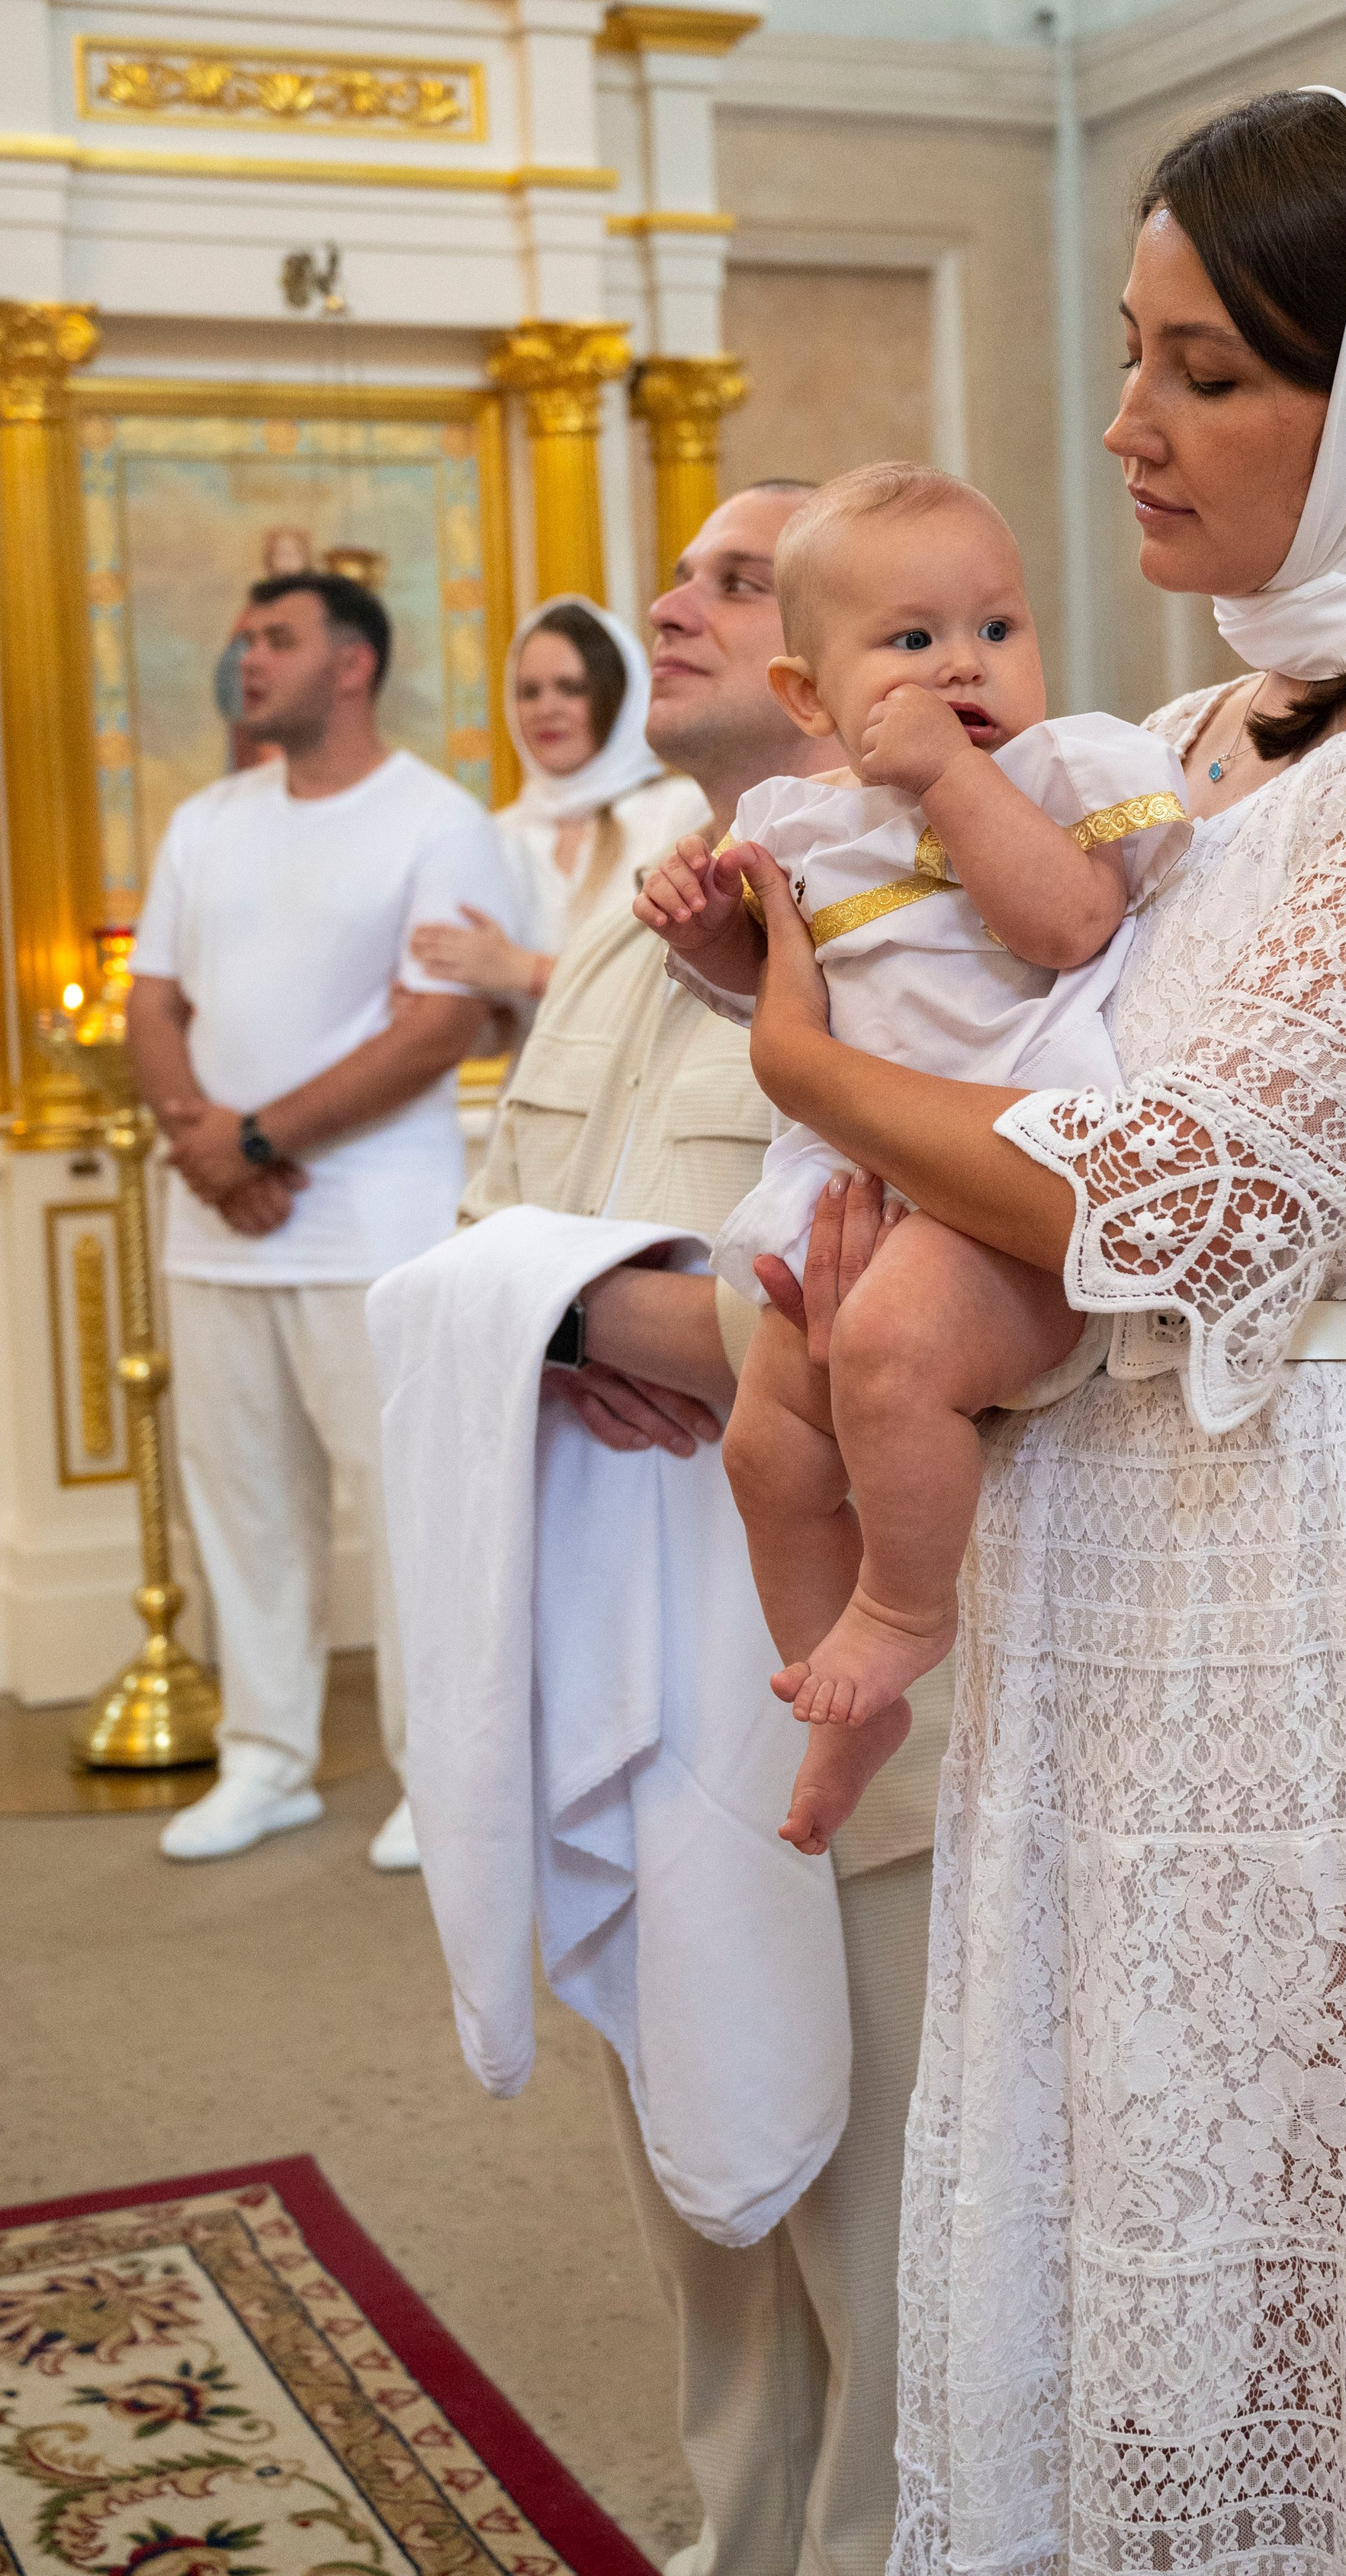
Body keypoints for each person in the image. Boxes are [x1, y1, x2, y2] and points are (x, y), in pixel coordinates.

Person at [730, 90, 1346, 2573]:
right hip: (1110, 1528)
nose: (1127, 424)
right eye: (1130, 357)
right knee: (1115, 2136)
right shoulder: (1232, 725)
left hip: (1316, 1547)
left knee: (1327, 2171)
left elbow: (1189, 1180)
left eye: (1207, 373)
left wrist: (822, 1074)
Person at [455, 483, 953, 2576]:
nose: (669, 601)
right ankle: (743, 2540)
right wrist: (558, 1303)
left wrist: (568, 1310)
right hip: (625, 1634)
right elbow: (514, 1218)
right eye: (689, 575)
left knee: (878, 2198)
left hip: (830, 1670)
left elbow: (895, 1318)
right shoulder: (626, 888)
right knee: (694, 2180)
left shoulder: (923, 902)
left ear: (848, 652)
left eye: (735, 581)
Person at [638, 463, 1188, 1853]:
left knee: (885, 1356)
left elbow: (1065, 926)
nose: (965, 666)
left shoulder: (1064, 773)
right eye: (912, 642)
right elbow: (775, 992)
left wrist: (951, 777)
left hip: (1001, 1173)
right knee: (766, 1447)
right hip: (844, 1179)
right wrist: (709, 930)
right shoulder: (801, 827)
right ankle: (846, 1707)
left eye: (997, 629)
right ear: (810, 699)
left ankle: (902, 1610)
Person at [126, 569, 516, 1871]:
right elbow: (153, 1000)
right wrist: (207, 1141)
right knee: (240, 1499)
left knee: (405, 1503)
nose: (246, 656)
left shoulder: (438, 821)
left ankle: (436, 1773)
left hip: (369, 1224)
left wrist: (250, 1140)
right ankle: (266, 1760)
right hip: (219, 1229)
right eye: (243, 636)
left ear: (352, 664)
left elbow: (435, 1026)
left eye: (275, 638)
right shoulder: (206, 822)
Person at [411, 594, 706, 1008]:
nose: (546, 709)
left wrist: (523, 971)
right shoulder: (497, 833)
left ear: (618, 697)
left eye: (570, 688)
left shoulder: (684, 812)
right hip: (533, 1073)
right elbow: (495, 1026)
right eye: (529, 692)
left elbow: (685, 989)